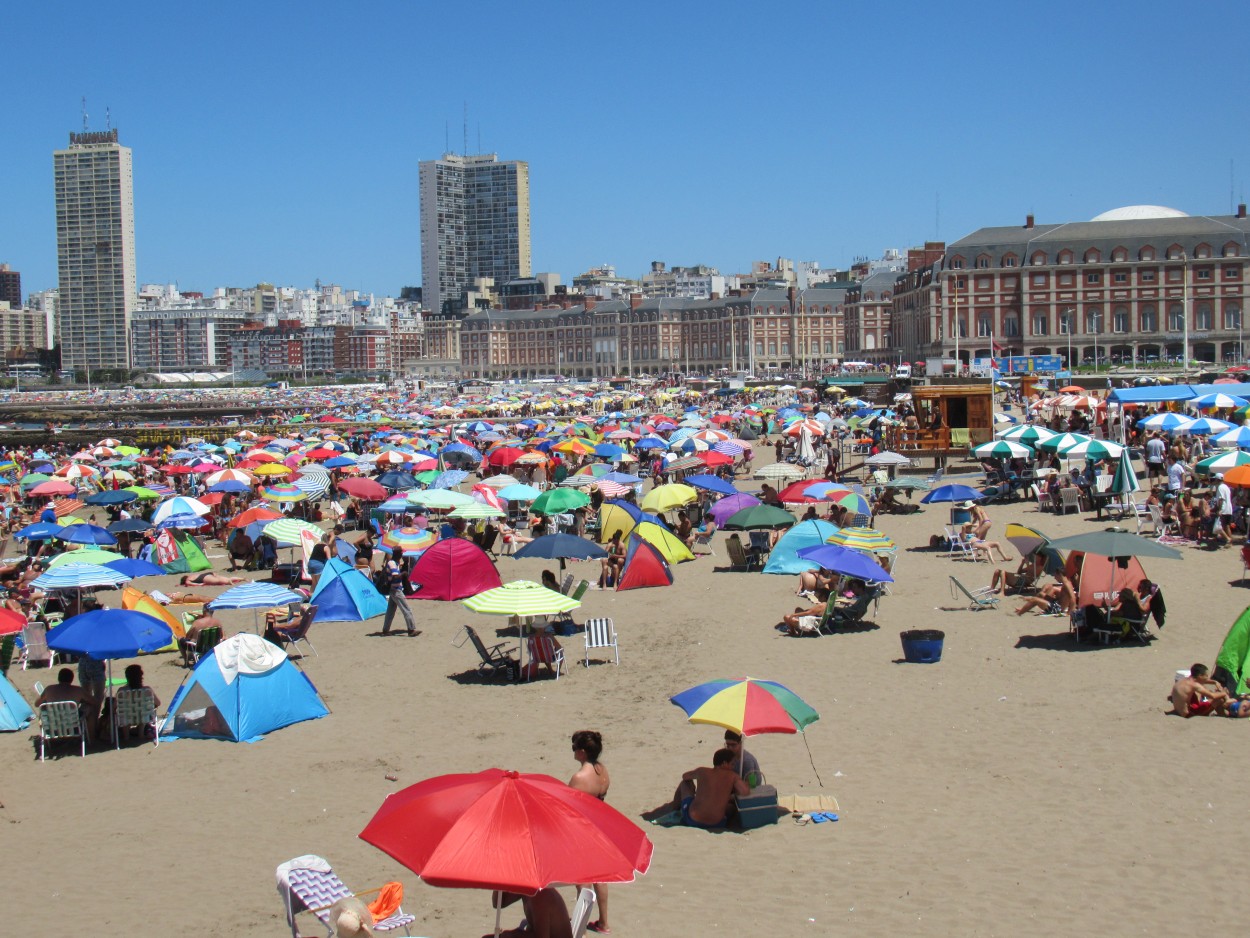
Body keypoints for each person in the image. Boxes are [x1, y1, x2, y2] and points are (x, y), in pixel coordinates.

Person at [567, 730, 611, 934]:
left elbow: (567, 806)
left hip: (583, 828)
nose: (573, 751)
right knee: (600, 875)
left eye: (574, 748)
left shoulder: (579, 777)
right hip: (600, 825)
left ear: (583, 752)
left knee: (582, 878)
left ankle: (581, 925)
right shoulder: (603, 772)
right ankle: (603, 922)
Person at [674, 748, 750, 829]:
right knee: (731, 808)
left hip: (693, 820)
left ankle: (674, 807)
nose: (733, 767)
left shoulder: (702, 771)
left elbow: (685, 776)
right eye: (732, 764)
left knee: (685, 783)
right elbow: (745, 792)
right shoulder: (733, 776)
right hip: (717, 823)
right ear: (724, 763)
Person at [486, 888, 572, 938]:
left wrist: (514, 935)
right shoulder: (527, 890)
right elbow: (498, 903)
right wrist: (500, 877)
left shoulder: (540, 895)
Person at [1171, 664, 1250, 717]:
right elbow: (1212, 696)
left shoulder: (1183, 681)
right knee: (1219, 699)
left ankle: (1227, 703)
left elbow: (1202, 681)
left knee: (1207, 693)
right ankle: (1224, 713)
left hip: (1178, 710)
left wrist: (1214, 682)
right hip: (1188, 714)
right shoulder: (1195, 685)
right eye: (1206, 675)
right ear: (1200, 676)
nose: (1207, 677)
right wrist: (1223, 693)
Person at [117, 664, 160, 741]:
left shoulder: (121, 691)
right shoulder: (147, 690)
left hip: (126, 718)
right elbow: (158, 703)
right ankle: (141, 734)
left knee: (124, 714)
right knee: (143, 711)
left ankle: (126, 737)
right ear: (141, 676)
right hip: (143, 717)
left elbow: (115, 706)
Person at [379, 558, 416, 636]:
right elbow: (395, 577)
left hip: (394, 590)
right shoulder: (392, 563)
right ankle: (411, 630)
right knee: (406, 609)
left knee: (390, 611)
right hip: (396, 590)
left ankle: (385, 630)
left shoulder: (395, 563)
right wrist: (404, 573)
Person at [180, 572, 245, 587]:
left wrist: (200, 584)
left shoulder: (187, 580)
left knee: (218, 581)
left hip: (204, 578)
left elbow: (189, 583)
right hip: (207, 574)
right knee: (224, 578)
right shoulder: (191, 575)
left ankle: (230, 582)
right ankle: (242, 578)